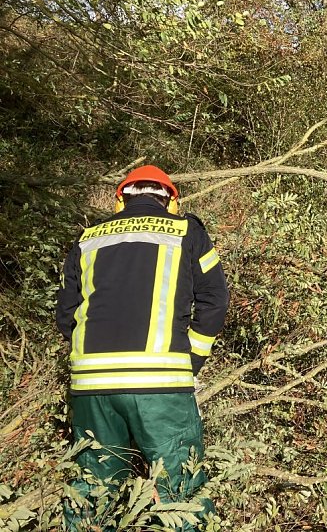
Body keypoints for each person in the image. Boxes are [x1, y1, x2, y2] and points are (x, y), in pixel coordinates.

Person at [55, 165, 229, 530]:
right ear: (171, 200)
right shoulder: (187, 231)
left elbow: (66, 313)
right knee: (180, 494)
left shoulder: (88, 238)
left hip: (91, 388)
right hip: (161, 386)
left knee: (93, 490)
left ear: (121, 199)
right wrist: (192, 358)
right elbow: (214, 300)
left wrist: (88, 359)